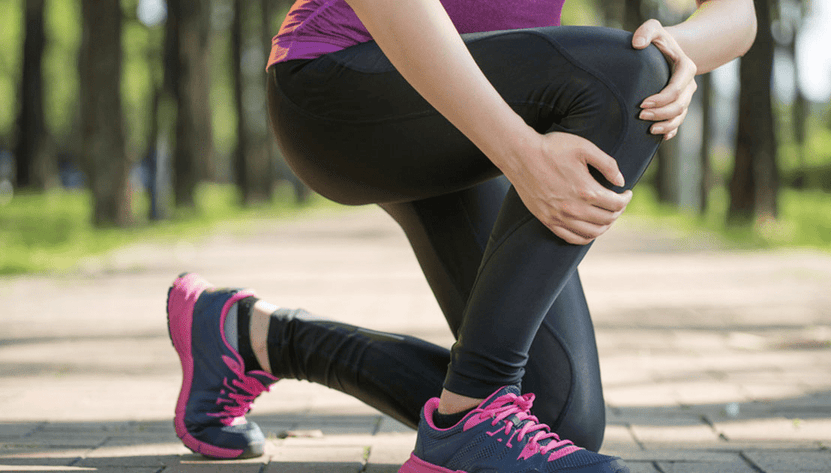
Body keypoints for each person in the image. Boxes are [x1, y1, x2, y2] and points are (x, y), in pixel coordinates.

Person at [166, 0, 756, 471]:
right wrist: (521, 151)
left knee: (557, 422)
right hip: (340, 82)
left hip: (468, 126)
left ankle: (254, 337)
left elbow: (736, 13)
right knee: (622, 73)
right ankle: (473, 417)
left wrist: (678, 53)